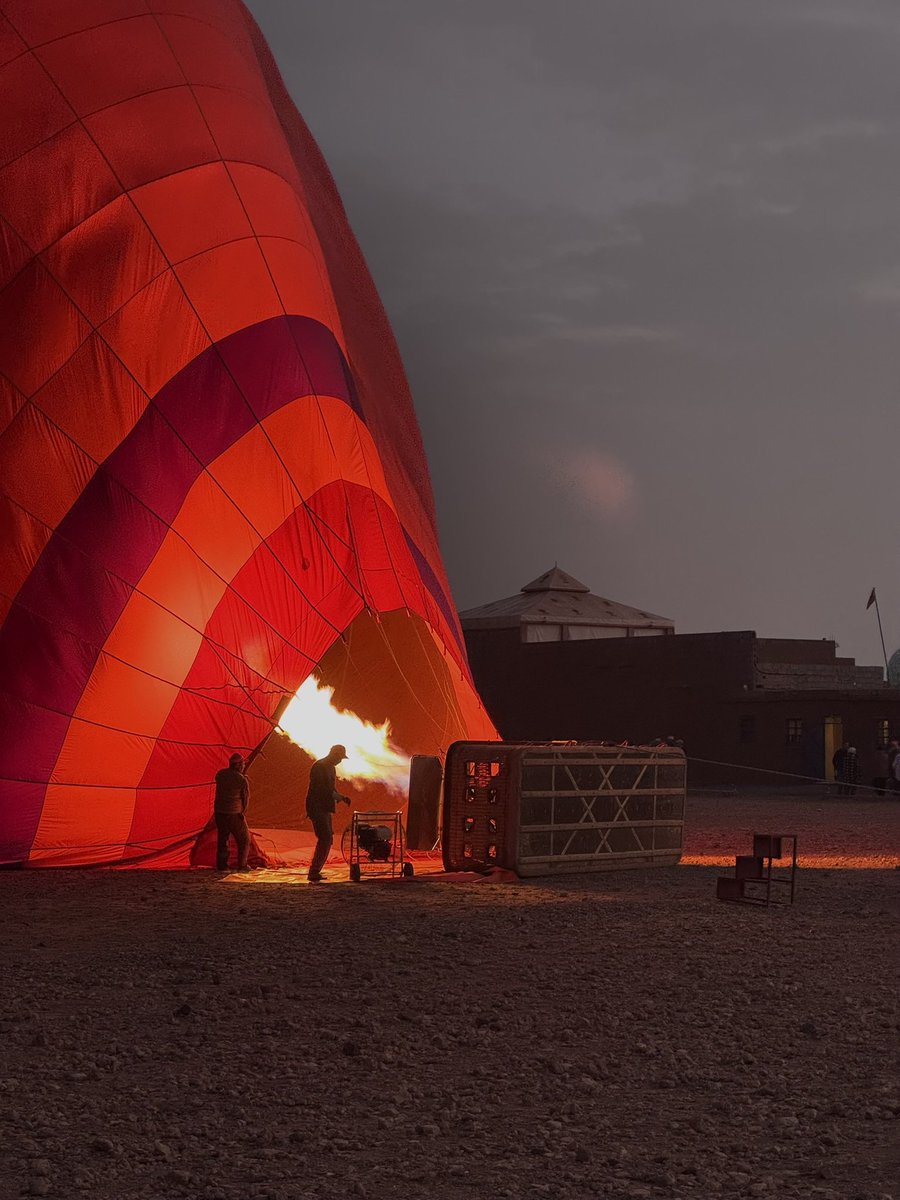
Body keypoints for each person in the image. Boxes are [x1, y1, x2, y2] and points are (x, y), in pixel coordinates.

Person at [306, 744, 351, 882]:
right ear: (334, 754)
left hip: (324, 807)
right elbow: (322, 789)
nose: (340, 761)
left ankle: (316, 870)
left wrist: (341, 797)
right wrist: (339, 797)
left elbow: (331, 788)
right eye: (340, 758)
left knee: (327, 838)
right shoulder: (319, 766)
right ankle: (314, 871)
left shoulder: (330, 768)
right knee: (325, 837)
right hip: (317, 807)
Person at [214, 752, 251, 871]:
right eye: (242, 764)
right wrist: (242, 813)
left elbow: (225, 782)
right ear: (237, 766)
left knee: (223, 839)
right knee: (244, 839)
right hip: (234, 813)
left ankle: (222, 865)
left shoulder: (220, 774)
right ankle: (242, 865)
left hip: (219, 812)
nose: (243, 766)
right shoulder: (242, 780)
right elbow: (245, 799)